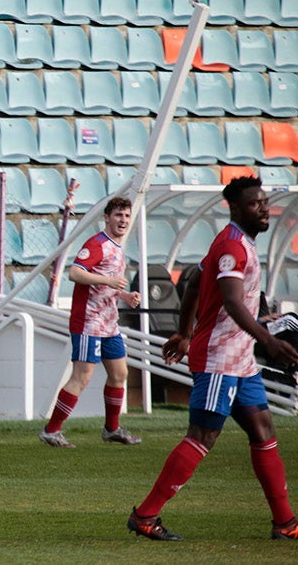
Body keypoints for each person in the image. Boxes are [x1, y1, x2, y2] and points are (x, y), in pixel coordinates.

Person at [127, 176, 298, 541]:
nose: (264, 208)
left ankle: (285, 523)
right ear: (235, 208)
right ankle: (145, 515)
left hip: (241, 363)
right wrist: (268, 340)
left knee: (264, 432)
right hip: (220, 360)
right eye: (255, 204)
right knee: (203, 436)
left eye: (265, 202)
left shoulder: (238, 245)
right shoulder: (232, 247)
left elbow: (192, 283)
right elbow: (233, 302)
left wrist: (184, 332)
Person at [40, 196, 142, 448]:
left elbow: (109, 282)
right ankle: (51, 430)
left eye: (127, 216)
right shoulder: (97, 244)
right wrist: (108, 282)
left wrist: (125, 295)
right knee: (82, 376)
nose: (123, 220)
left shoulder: (118, 248)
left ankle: (112, 429)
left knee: (120, 374)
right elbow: (75, 272)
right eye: (118, 215)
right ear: (106, 218)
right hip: (89, 322)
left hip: (109, 323)